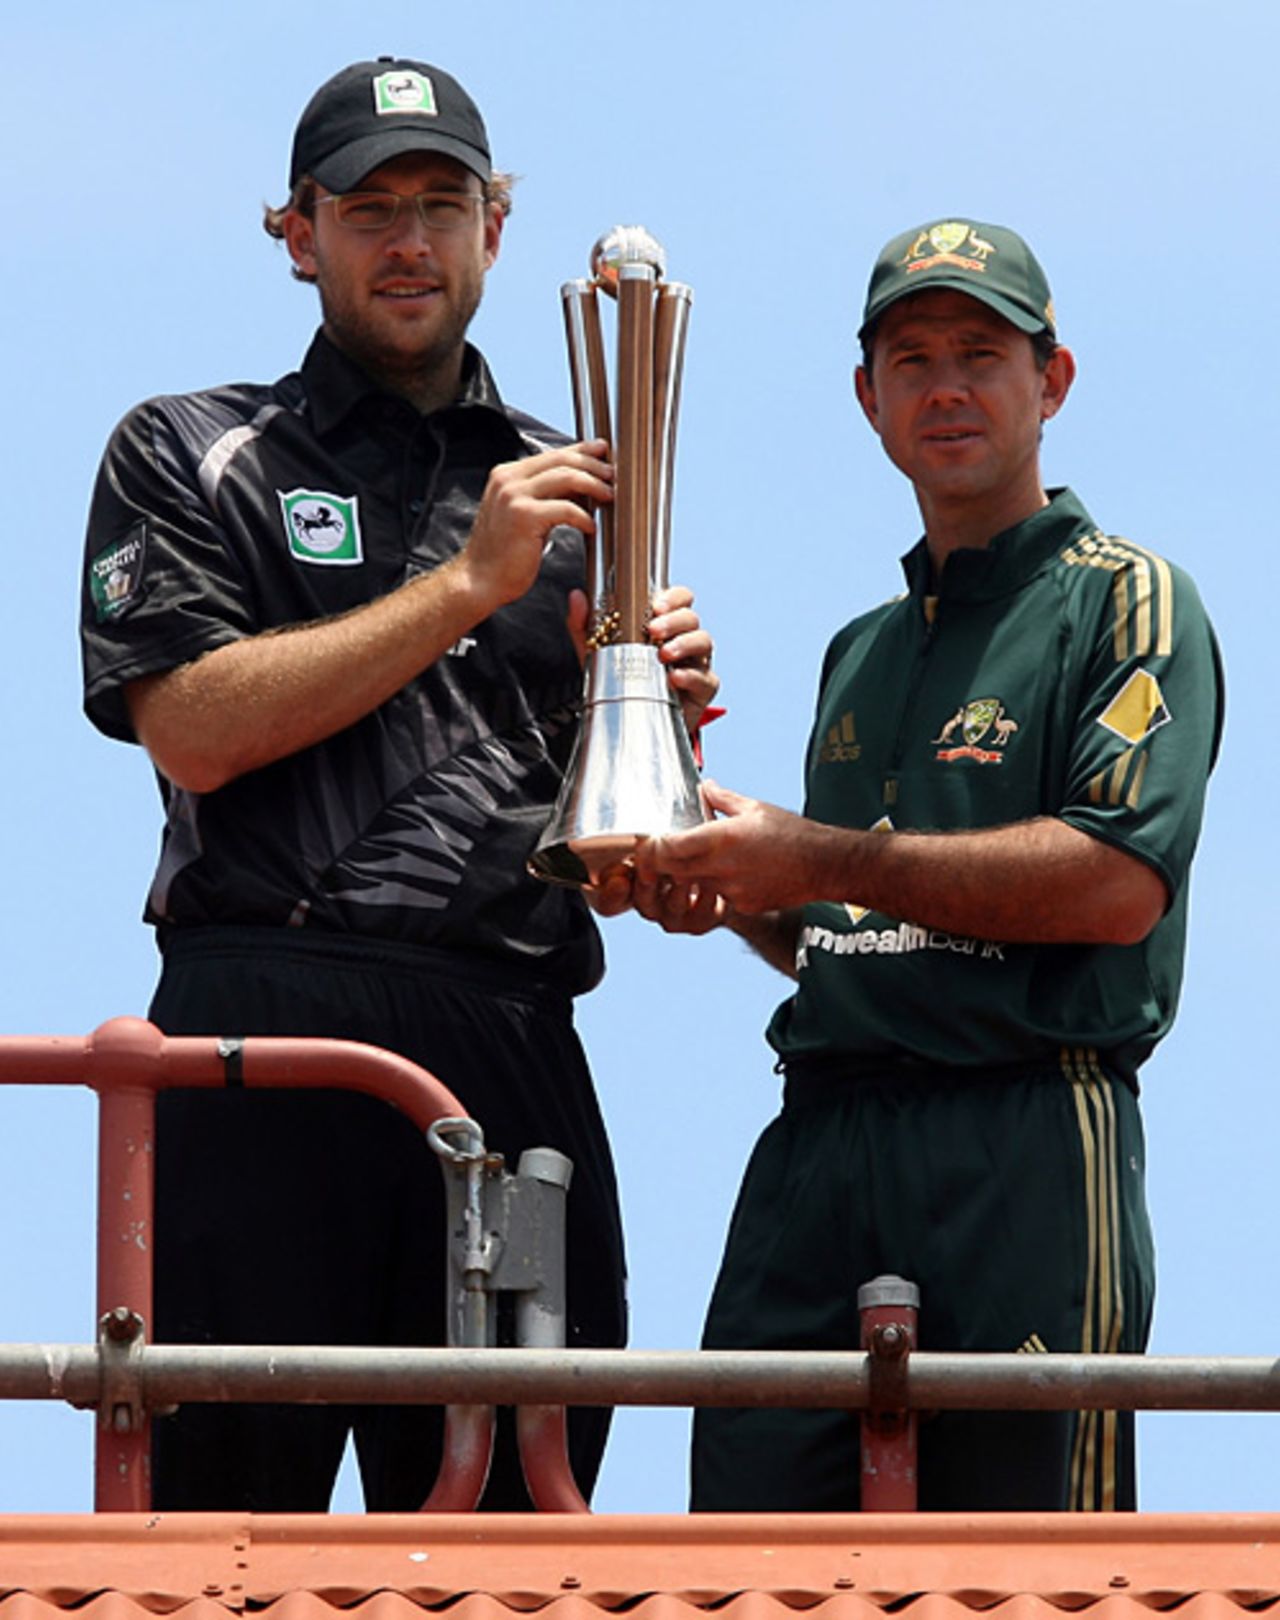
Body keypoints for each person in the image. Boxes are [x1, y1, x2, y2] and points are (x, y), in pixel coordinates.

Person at [79, 56, 717, 1512]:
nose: (410, 242)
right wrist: (463, 585)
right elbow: (190, 727)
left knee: (518, 1551)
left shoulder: (584, 481)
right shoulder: (190, 448)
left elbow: (634, 873)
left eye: (441, 204)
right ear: (296, 233)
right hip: (265, 1035)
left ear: (498, 222)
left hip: (511, 1042)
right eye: (369, 210)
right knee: (216, 1551)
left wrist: (660, 726)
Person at [634, 218, 1223, 1512]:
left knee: (1021, 1572)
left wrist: (806, 854)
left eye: (981, 352)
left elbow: (1116, 880)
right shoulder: (860, 648)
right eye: (912, 360)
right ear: (869, 400)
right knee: (744, 1566)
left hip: (1022, 1136)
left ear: (1052, 381)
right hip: (821, 1140)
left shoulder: (1129, 602)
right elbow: (852, 928)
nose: (946, 387)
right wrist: (740, 886)